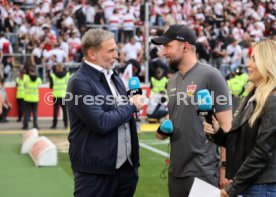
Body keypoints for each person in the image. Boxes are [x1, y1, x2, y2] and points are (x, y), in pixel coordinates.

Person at [151, 24, 232, 197]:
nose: (163, 52)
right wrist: (164, 131)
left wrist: (225, 169)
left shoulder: (212, 76)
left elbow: (227, 126)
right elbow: (178, 120)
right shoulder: (172, 81)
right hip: (175, 170)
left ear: (185, 46)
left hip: (203, 170)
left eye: (167, 46)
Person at [66, 29, 145, 197]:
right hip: (95, 173)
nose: (116, 55)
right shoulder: (79, 82)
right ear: (92, 54)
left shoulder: (114, 76)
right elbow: (100, 122)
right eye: (111, 50)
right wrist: (131, 106)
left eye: (115, 49)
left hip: (126, 170)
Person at [203, 39, 276, 197]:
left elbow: (261, 152)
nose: (248, 65)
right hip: (252, 185)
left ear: (267, 63)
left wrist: (233, 188)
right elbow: (239, 142)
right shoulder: (254, 95)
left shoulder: (272, 99)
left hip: (262, 187)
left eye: (254, 59)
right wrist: (217, 132)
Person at [49, 63, 70, 129]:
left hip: (56, 96)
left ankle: (54, 125)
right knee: (65, 111)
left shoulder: (53, 75)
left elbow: (51, 86)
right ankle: (66, 125)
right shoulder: (67, 74)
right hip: (64, 96)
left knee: (55, 111)